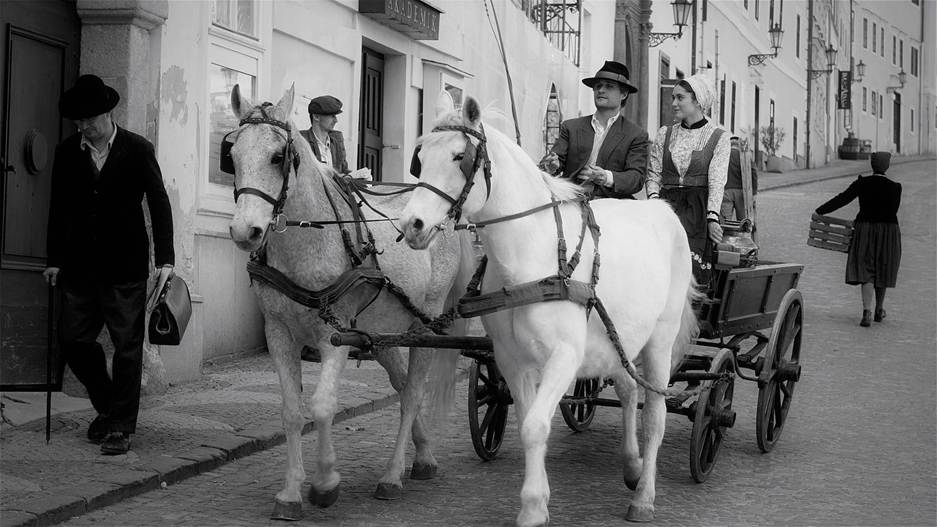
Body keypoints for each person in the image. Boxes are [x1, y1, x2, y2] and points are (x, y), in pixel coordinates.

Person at [43, 74, 175, 455]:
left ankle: (120, 426)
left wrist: (165, 258)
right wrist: (54, 260)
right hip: (79, 267)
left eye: (90, 120)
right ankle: (108, 404)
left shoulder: (137, 149)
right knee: (73, 341)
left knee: (128, 347)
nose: (85, 127)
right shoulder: (68, 152)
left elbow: (159, 201)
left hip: (125, 265)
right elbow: (58, 209)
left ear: (107, 113)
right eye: (78, 121)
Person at [646, 74, 730, 284]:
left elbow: (717, 181)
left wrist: (712, 217)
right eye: (673, 97)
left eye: (680, 98)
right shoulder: (665, 133)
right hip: (666, 207)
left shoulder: (718, 137)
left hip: (697, 210)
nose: (673, 103)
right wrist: (655, 204)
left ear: (697, 101)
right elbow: (653, 174)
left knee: (689, 272)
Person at [815, 151, 901, 327]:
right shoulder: (895, 187)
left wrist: (820, 211)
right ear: (887, 166)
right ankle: (879, 309)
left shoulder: (862, 183)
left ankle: (867, 311)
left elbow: (842, 199)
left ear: (872, 165)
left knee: (866, 269)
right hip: (888, 231)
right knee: (882, 267)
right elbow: (893, 210)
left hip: (865, 230)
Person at [539, 60, 648, 199]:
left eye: (609, 86)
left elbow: (636, 178)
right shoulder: (571, 127)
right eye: (598, 86)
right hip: (572, 202)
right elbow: (552, 163)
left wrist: (605, 177)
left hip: (613, 206)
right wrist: (552, 165)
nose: (601, 90)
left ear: (624, 94)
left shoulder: (636, 135)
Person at [300, 95, 371, 180]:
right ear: (316, 117)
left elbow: (344, 171)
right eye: (332, 116)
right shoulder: (302, 140)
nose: (336, 120)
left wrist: (360, 176)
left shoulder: (337, 142)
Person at [721, 136, 759, 222]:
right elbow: (753, 172)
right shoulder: (745, 156)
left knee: (725, 222)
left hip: (726, 191)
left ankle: (726, 235)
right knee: (743, 222)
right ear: (739, 145)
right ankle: (742, 235)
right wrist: (754, 193)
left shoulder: (723, 155)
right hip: (742, 192)